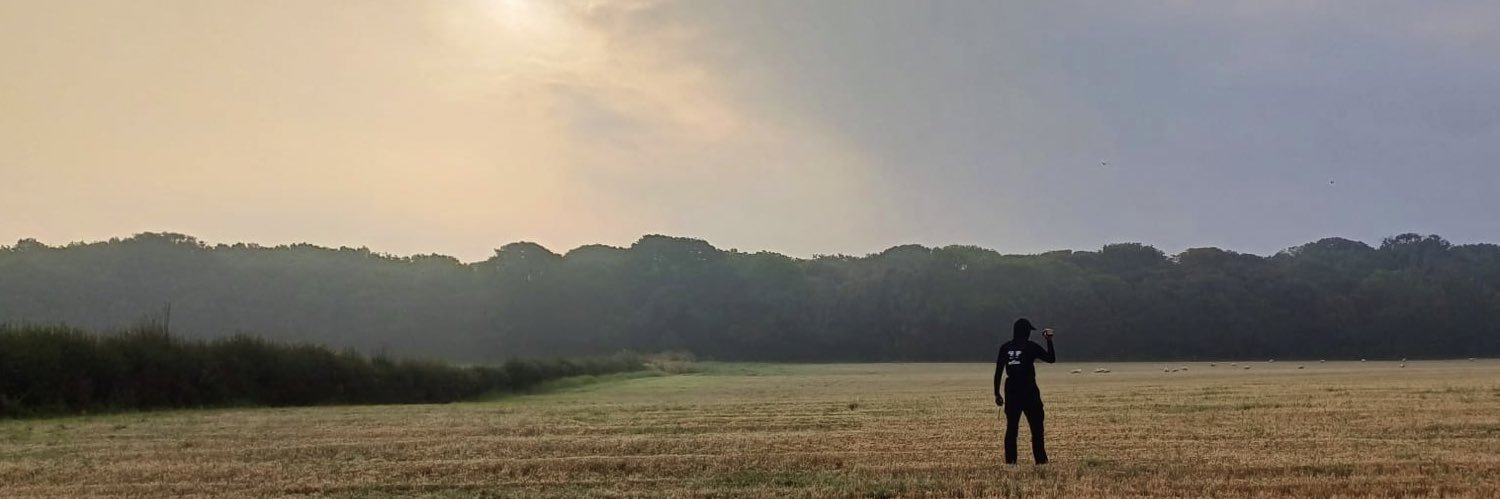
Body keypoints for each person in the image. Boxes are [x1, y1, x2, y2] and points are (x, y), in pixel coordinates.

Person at [993, 318, 1056, 464]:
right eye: (1029, 331)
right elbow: (1051, 359)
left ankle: (1011, 461)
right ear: (1026, 332)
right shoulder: (1030, 347)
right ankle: (1040, 460)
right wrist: (1049, 340)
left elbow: (998, 372)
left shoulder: (1005, 347)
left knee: (1012, 428)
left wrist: (997, 393)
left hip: (1012, 390)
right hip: (1029, 390)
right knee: (1036, 427)